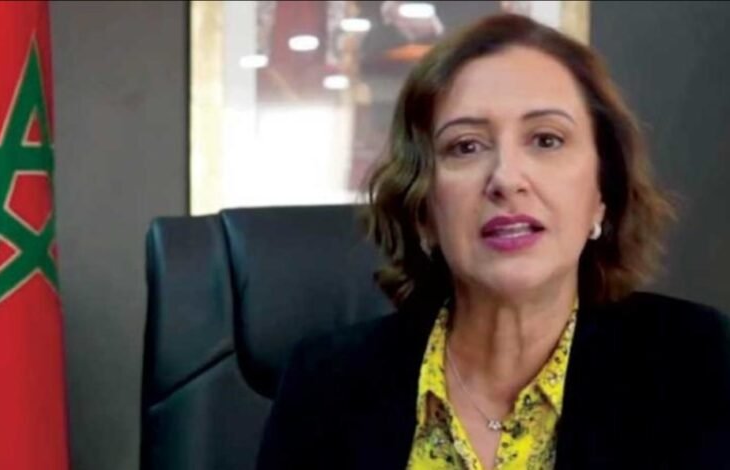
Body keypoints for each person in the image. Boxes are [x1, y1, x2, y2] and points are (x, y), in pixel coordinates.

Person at [257, 13, 730, 470]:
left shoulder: (698, 362)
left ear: (601, 196)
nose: (506, 178)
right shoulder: (325, 384)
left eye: (546, 140)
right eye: (466, 146)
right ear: (424, 210)